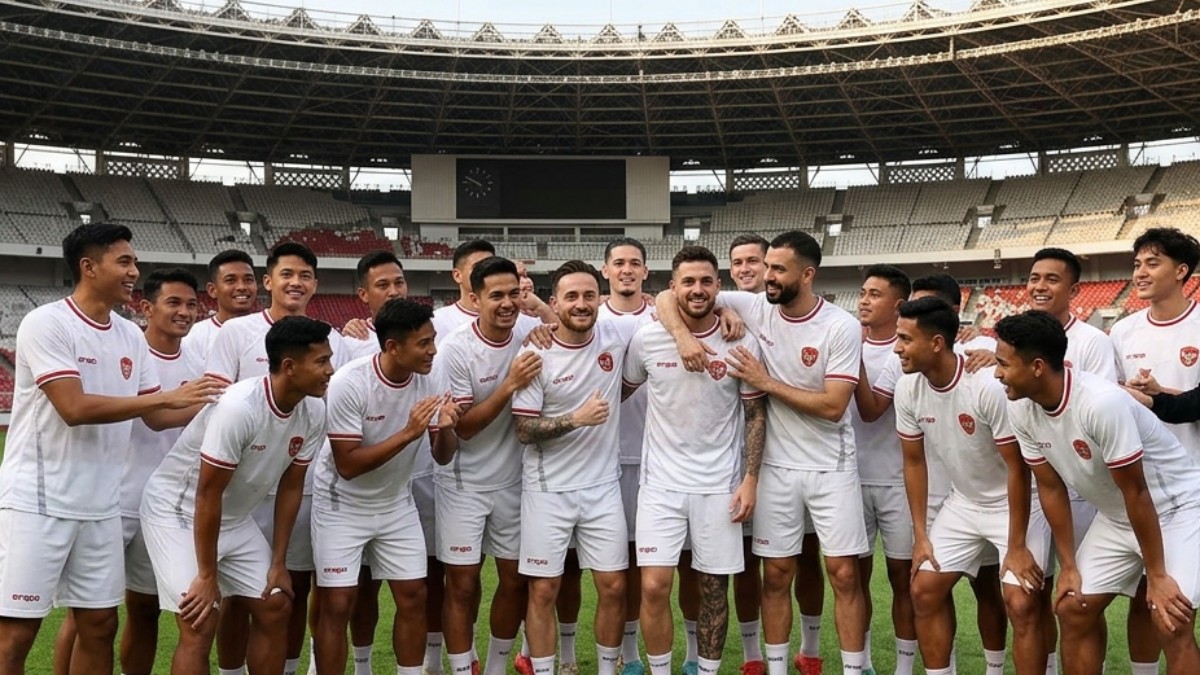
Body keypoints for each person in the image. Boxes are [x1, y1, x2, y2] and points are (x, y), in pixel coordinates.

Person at [0, 223, 221, 674]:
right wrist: (166, 397)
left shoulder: (127, 335)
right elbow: (73, 407)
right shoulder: (46, 323)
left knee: (100, 623)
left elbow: (156, 416)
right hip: (38, 502)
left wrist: (222, 404)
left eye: (133, 263)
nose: (133, 272)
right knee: (16, 633)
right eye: (124, 262)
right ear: (89, 266)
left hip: (102, 504)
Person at [656, 230, 870, 675]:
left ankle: (853, 668)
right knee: (775, 575)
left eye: (777, 269)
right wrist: (682, 335)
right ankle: (774, 668)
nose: (764, 277)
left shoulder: (840, 325)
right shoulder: (757, 306)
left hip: (832, 465)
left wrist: (765, 380)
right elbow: (666, 296)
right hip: (774, 467)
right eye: (765, 267)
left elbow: (833, 407)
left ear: (807, 275)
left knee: (845, 574)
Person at [996, 310, 1200, 675]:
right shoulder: (1021, 409)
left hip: (1177, 509)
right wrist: (1070, 566)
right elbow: (1050, 486)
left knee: (1171, 619)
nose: (997, 374)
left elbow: (1138, 492)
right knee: (1073, 608)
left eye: (1004, 364)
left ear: (1038, 366)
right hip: (1118, 515)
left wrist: (1156, 576)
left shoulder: (1100, 403)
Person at [140, 316, 333, 675]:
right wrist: (207, 574)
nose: (330, 370)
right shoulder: (238, 407)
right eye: (321, 361)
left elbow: (291, 487)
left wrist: (278, 563)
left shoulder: (314, 410)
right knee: (199, 621)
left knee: (275, 605)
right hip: (178, 514)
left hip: (232, 518)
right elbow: (207, 494)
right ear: (289, 367)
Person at [623, 246, 767, 675]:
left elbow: (755, 414)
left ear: (719, 287)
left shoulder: (741, 339)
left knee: (713, 590)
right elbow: (622, 391)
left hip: (719, 487)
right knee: (653, 586)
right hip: (660, 486)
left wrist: (750, 479)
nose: (697, 289)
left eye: (706, 281)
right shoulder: (647, 338)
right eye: (688, 281)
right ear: (671, 288)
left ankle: (705, 670)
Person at [206, 241, 346, 675]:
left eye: (305, 275)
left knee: (290, 586)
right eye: (287, 274)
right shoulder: (235, 332)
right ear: (268, 281)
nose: (296, 283)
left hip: (295, 480)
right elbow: (214, 398)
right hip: (241, 486)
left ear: (315, 284)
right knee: (234, 596)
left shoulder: (334, 338)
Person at [893, 296, 1050, 675]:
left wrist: (1015, 546)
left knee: (1021, 600)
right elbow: (913, 463)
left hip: (1017, 504)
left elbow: (1019, 469)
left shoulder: (985, 387)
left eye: (905, 339)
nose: (896, 348)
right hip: (964, 504)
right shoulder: (908, 389)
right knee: (924, 590)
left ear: (936, 343)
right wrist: (921, 537)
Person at [313, 298, 461, 675]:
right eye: (424, 343)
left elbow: (442, 456)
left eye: (433, 340)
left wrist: (446, 430)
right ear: (393, 347)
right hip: (341, 505)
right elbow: (347, 466)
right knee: (338, 603)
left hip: (396, 503)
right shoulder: (350, 382)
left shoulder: (432, 376)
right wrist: (409, 433)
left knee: (414, 595)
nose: (433, 350)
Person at [510, 260, 641, 675]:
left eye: (589, 295)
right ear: (555, 302)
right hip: (548, 488)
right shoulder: (535, 351)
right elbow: (523, 430)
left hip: (602, 486)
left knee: (614, 586)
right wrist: (575, 419)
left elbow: (670, 308)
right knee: (545, 588)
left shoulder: (616, 336)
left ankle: (606, 669)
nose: (581, 304)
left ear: (600, 299)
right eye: (571, 296)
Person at [436, 256, 541, 675]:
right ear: (475, 297)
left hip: (516, 482)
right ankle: (464, 668)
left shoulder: (532, 338)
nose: (506, 303)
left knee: (514, 581)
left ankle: (496, 667)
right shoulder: (457, 349)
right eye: (495, 295)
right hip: (464, 483)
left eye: (513, 294)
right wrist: (510, 384)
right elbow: (463, 428)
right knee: (462, 584)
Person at [1107, 227, 1200, 674]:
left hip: (1194, 489)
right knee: (1145, 600)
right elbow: (1112, 401)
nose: (1140, 272)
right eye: (1138, 263)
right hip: (1143, 488)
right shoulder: (1122, 331)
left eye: (1153, 262)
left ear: (1181, 271)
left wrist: (1158, 398)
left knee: (1175, 612)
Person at [909, 272, 1009, 673]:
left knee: (1005, 592)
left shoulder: (985, 357)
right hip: (955, 498)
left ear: (951, 317)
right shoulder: (908, 375)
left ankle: (997, 668)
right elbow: (909, 455)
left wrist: (996, 360)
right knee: (929, 588)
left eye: (928, 305)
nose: (916, 311)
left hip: (1003, 497)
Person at [1025, 246, 1120, 671]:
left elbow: (1096, 417)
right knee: (1030, 594)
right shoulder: (1012, 338)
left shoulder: (1093, 343)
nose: (1039, 286)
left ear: (1074, 289)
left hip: (1081, 490)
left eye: (1051, 279)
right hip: (1037, 485)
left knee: (1078, 598)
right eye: (1033, 278)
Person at [848, 265, 918, 675]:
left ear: (898, 305)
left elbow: (872, 410)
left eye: (875, 294)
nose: (863, 300)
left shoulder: (904, 349)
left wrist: (848, 358)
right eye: (862, 292)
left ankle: (904, 668)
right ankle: (864, 663)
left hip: (895, 481)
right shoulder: (849, 339)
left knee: (902, 579)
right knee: (853, 581)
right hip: (850, 480)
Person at [594, 237, 655, 675]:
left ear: (646, 272)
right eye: (619, 263)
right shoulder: (589, 316)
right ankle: (555, 651)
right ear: (606, 270)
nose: (627, 270)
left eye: (635, 263)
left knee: (637, 562)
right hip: (600, 461)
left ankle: (629, 655)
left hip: (654, 459)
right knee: (587, 566)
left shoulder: (663, 317)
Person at [183, 249, 259, 362]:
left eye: (248, 280)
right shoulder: (195, 337)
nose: (241, 287)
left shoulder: (270, 331)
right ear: (212, 290)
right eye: (231, 280)